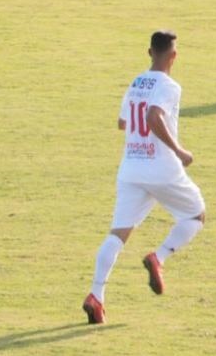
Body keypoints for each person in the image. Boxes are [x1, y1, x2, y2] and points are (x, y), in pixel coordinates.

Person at [82, 31, 205, 325]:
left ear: (149, 52)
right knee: (195, 216)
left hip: (131, 168)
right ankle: (158, 258)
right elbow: (153, 116)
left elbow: (123, 121)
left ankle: (96, 295)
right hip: (161, 168)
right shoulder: (170, 86)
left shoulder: (136, 82)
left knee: (118, 234)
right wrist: (178, 150)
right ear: (173, 56)